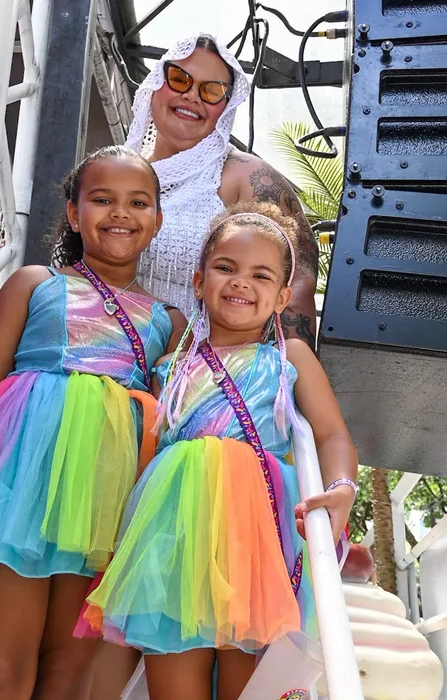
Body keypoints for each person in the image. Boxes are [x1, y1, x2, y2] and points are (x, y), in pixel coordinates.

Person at [81, 202, 358, 700]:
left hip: (255, 543)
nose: (240, 283)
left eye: (260, 274)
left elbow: (332, 435)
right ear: (197, 280)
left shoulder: (288, 358)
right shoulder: (170, 366)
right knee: (175, 680)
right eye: (225, 268)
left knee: (246, 686)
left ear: (282, 297)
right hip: (171, 542)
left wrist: (341, 488)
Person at [0, 145, 187, 700]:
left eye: (138, 202)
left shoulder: (167, 322)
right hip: (14, 490)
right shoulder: (35, 284)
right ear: (75, 213)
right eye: (102, 200)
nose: (120, 213)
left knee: (67, 683)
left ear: (157, 218)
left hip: (108, 505)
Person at [127, 33, 319, 349]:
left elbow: (298, 280)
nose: (192, 96)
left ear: (225, 108)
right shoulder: (115, 171)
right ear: (155, 83)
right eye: (179, 79)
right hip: (109, 363)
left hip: (208, 380)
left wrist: (280, 380)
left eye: (211, 90)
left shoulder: (247, 176)